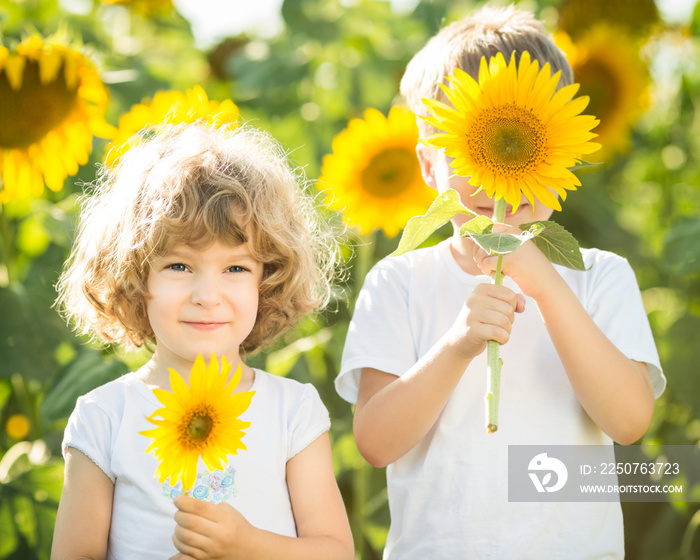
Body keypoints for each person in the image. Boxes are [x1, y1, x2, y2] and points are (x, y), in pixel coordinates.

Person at [335, 5, 665, 559]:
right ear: (427, 165)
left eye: (520, 143)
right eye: (472, 149)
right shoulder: (400, 281)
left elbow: (629, 421)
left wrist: (549, 286)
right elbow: (375, 441)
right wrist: (457, 344)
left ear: (560, 150)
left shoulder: (598, 276)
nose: (499, 170)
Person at [52, 122, 354, 560]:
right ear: (135, 277)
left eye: (235, 269)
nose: (207, 297)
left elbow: (336, 553)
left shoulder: (292, 411)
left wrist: (245, 545)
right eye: (179, 266)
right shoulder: (105, 417)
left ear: (267, 283)